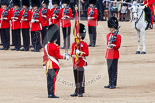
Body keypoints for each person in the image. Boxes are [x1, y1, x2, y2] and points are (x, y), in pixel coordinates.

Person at [43, 24, 69, 98]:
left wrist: (44, 64)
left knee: (49, 80)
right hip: (54, 64)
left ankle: (49, 93)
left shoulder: (46, 46)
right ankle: (52, 94)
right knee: (53, 80)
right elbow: (58, 56)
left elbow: (45, 56)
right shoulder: (56, 46)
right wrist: (65, 57)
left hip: (48, 65)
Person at [70, 23, 89, 97]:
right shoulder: (73, 44)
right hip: (75, 63)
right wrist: (73, 55)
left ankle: (81, 91)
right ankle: (76, 90)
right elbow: (72, 53)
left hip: (81, 63)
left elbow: (86, 53)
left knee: (80, 77)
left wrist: (80, 53)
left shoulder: (84, 44)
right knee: (75, 77)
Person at [104, 17, 121, 89]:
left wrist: (113, 45)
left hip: (114, 55)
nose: (110, 29)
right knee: (109, 69)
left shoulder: (118, 36)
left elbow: (118, 45)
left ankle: (113, 83)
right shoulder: (108, 35)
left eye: (111, 28)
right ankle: (110, 82)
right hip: (108, 54)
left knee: (114, 70)